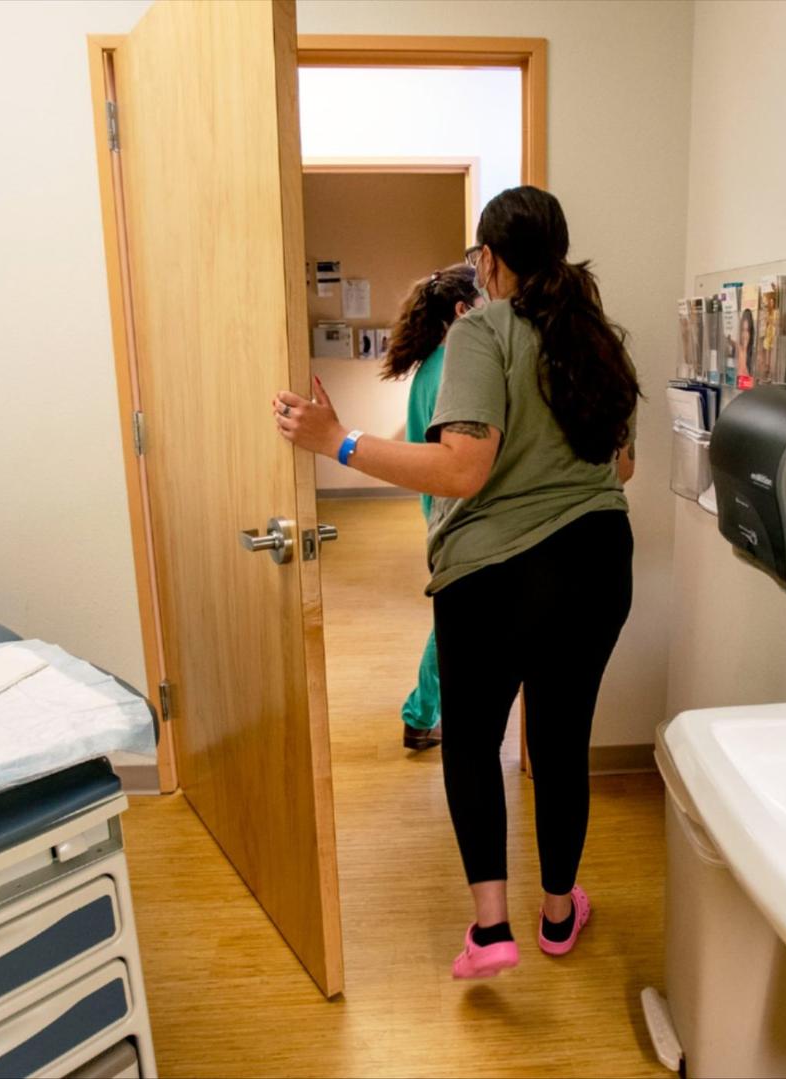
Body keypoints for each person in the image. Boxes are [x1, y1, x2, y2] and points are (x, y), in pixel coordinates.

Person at [273, 186, 639, 979]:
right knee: (560, 741)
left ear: (490, 260)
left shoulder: (485, 330)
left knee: (472, 741)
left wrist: (337, 442)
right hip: (598, 561)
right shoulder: (601, 339)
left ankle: (490, 930)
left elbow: (463, 470)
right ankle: (557, 913)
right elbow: (623, 466)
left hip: (497, 574)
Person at [382, 264, 483, 750]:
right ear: (463, 311)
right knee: (453, 621)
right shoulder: (454, 371)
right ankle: (420, 713)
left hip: (441, 507)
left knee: (454, 617)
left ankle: (422, 713)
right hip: (459, 510)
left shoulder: (431, 367)